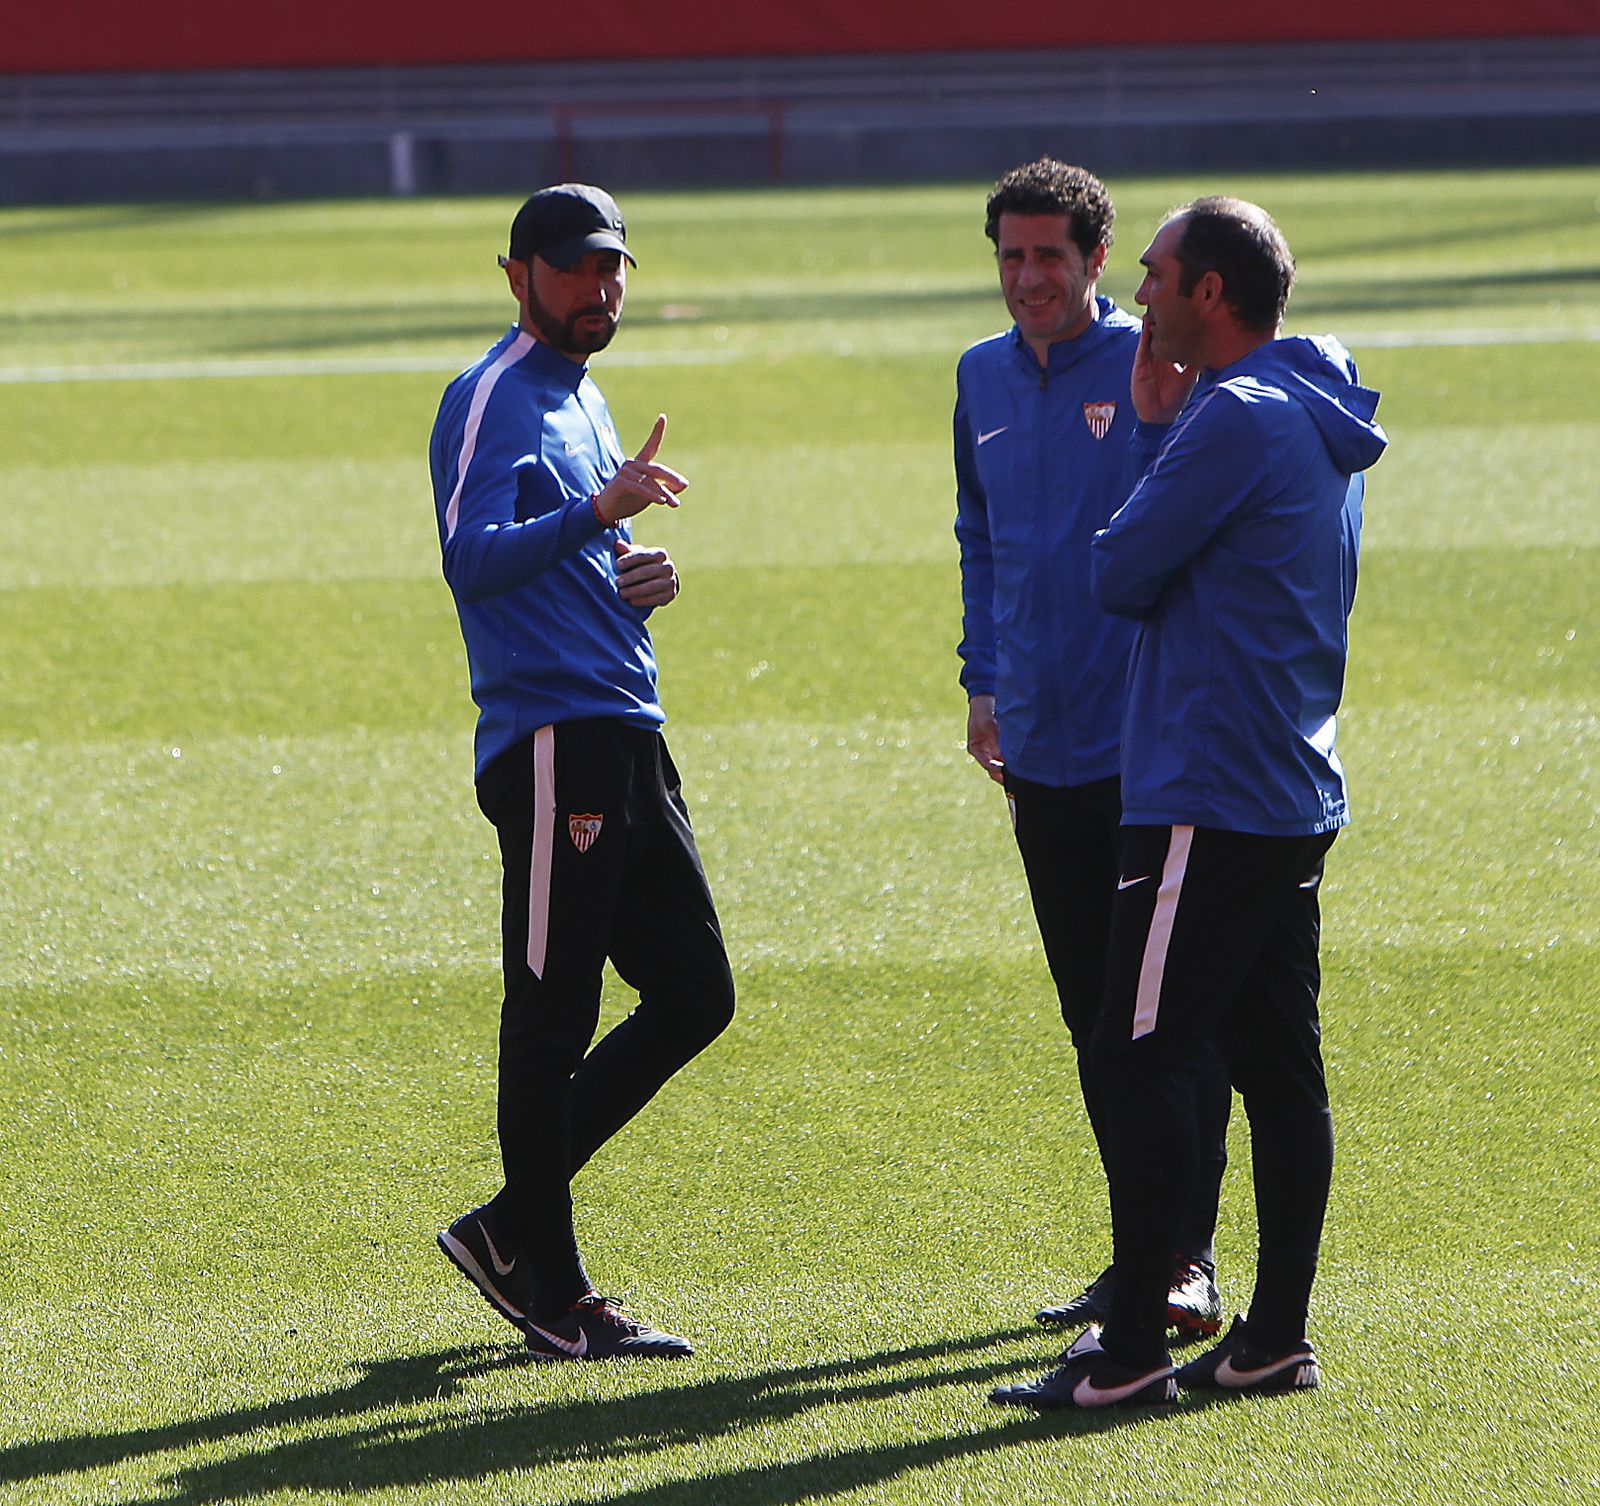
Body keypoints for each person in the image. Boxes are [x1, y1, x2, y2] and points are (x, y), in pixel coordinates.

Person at [992, 198, 1386, 1410]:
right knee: (1276, 1067)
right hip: (1285, 783)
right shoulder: (1324, 398)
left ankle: (1126, 1354)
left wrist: (1153, 426)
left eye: (1157, 275)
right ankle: (1273, 1340)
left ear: (1209, 295)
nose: (1144, 296)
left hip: (1204, 786)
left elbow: (1118, 568)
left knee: (1135, 1052)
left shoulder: (1234, 415)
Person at [427, 183, 735, 1362]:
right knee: (551, 1010)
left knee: (697, 991)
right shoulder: (491, 393)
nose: (596, 287)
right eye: (570, 268)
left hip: (622, 724)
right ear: (516, 276)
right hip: (554, 738)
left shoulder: (586, 396)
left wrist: (632, 570)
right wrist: (595, 513)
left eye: (612, 267)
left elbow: (571, 552)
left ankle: (511, 1226)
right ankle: (550, 1287)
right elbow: (469, 560)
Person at [953, 159, 1229, 1340]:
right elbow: (980, 539)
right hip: (1039, 751)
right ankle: (1138, 1254)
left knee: (1163, 1022)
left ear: (1096, 261)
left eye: (1048, 257)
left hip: (1146, 752)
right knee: (1090, 1021)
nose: (1027, 279)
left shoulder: (1156, 370)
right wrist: (982, 684)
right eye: (1010, 257)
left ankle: (1186, 1260)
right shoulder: (977, 378)